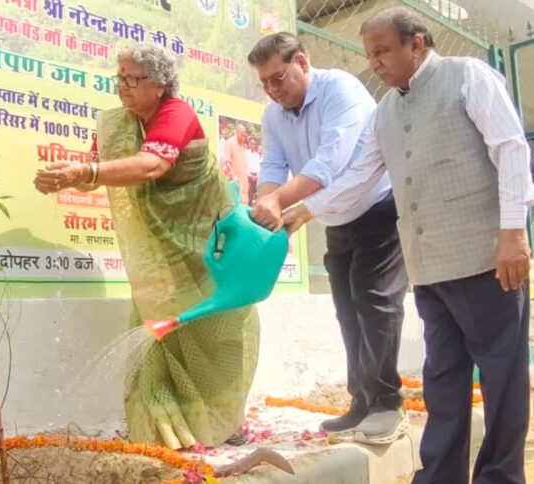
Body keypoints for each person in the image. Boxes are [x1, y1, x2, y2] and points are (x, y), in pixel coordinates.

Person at [284, 7, 533, 483]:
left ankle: (500, 476)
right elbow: (360, 175)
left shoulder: (468, 76)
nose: (374, 62)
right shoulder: (386, 113)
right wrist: (305, 210)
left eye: (382, 51)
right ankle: (440, 475)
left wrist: (513, 234)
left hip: (487, 258)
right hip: (429, 268)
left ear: (416, 43)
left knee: (501, 375)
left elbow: (510, 147)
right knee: (443, 380)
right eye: (368, 54)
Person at [33, 43, 260, 450]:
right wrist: (64, 177)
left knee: (215, 331)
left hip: (206, 249)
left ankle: (225, 422)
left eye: (132, 78)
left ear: (159, 85)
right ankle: (172, 433)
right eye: (119, 77)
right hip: (160, 261)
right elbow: (96, 172)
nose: (122, 86)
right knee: (161, 334)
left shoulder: (177, 113)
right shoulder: (119, 126)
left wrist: (87, 171)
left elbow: (154, 165)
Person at [247, 32, 409, 444]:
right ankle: (361, 402)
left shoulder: (340, 89)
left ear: (303, 61)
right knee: (347, 309)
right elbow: (273, 165)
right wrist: (264, 204)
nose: (273, 89)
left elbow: (329, 164)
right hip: (335, 217)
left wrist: (281, 201)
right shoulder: (274, 115)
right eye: (264, 83)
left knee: (375, 304)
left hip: (377, 208)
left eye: (279, 77)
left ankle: (388, 406)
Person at [222, 124, 252, 203]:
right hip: (234, 183)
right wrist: (233, 176)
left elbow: (244, 165)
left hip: (244, 184)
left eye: (244, 136)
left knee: (244, 206)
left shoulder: (243, 146)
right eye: (241, 135)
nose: (243, 138)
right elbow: (227, 162)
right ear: (236, 132)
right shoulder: (230, 142)